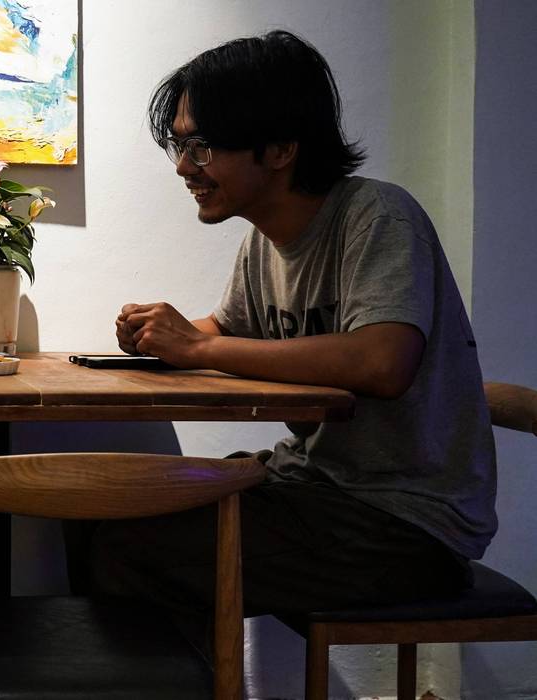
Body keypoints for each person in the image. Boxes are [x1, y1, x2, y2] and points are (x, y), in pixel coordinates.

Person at [88, 30, 497, 620]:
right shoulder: (264, 244)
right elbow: (227, 334)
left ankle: (188, 673)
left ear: (280, 149)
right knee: (106, 503)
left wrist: (196, 345)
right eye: (180, 145)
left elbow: (382, 362)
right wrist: (157, 334)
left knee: (128, 546)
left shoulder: (378, 216)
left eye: (202, 146)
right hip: (314, 485)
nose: (183, 167)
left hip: (405, 520)